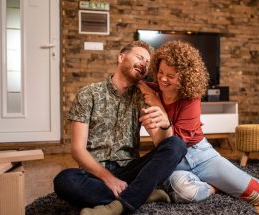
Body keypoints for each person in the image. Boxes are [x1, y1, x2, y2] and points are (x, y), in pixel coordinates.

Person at [53, 41, 187, 215]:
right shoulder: (88, 94)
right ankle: (143, 194)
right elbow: (78, 150)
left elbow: (161, 143)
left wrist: (165, 123)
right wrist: (108, 178)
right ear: (121, 57)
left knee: (176, 144)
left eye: (147, 63)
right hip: (95, 174)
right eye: (140, 57)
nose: (144, 64)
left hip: (129, 171)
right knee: (64, 181)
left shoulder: (143, 97)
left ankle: (118, 206)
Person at [137, 40, 259, 206]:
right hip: (172, 161)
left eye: (171, 76)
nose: (163, 79)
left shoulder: (191, 97)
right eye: (160, 72)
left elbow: (177, 142)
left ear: (185, 76)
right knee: (183, 192)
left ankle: (209, 181)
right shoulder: (152, 90)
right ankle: (213, 188)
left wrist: (158, 105)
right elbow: (133, 82)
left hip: (200, 154)